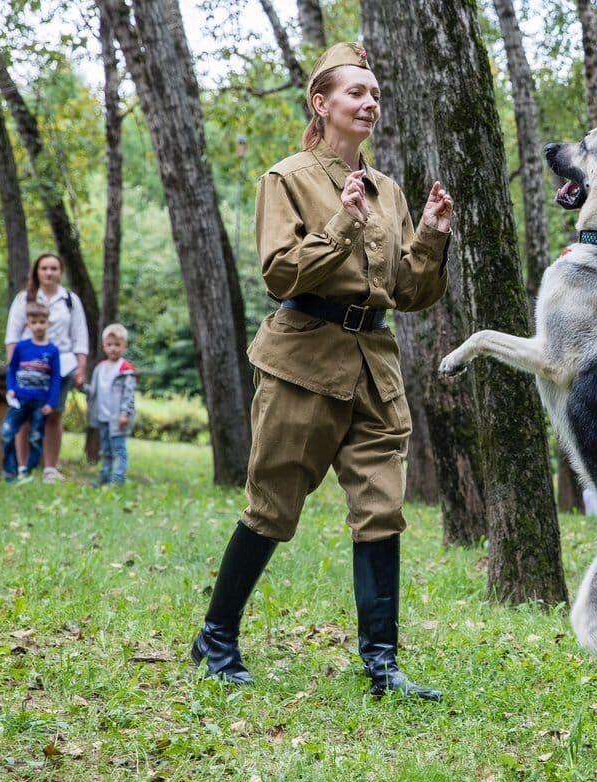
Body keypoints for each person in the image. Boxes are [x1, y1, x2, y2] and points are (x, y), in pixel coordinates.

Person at [191, 42, 453, 700]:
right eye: (356, 93)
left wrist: (429, 234)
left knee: (382, 511)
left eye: (376, 95)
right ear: (322, 104)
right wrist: (342, 219)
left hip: (374, 369)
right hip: (303, 365)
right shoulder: (287, 179)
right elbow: (279, 272)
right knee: (272, 508)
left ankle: (383, 665)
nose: (370, 103)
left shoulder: (390, 189)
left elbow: (409, 291)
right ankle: (215, 639)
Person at [4, 253, 89, 483]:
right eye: (44, 268)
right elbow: (12, 335)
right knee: (25, 416)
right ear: (37, 271)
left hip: (61, 365)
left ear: (60, 271)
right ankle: (23, 467)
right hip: (28, 366)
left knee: (53, 414)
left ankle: (50, 468)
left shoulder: (70, 300)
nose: (49, 273)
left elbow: (80, 337)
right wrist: (12, 368)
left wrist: (81, 369)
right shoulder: (25, 298)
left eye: (53, 268)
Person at [1, 302, 61, 483]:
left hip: (40, 402)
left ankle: (29, 471)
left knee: (36, 437)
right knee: (7, 432)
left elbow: (56, 378)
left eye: (42, 322)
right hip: (19, 399)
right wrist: (11, 389)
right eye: (34, 322)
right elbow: (11, 370)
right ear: (28, 324)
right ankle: (11, 472)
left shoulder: (52, 350)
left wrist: (51, 403)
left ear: (48, 324)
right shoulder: (21, 347)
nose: (38, 326)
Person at [86, 324, 137, 487]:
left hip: (117, 418)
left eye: (117, 345)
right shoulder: (100, 368)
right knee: (105, 449)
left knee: (119, 449)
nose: (113, 349)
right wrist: (81, 386)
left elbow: (129, 395)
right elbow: (93, 391)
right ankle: (105, 475)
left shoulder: (125, 370)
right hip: (102, 416)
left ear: (124, 346)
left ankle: (119, 478)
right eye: (109, 345)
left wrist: (125, 413)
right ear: (104, 346)